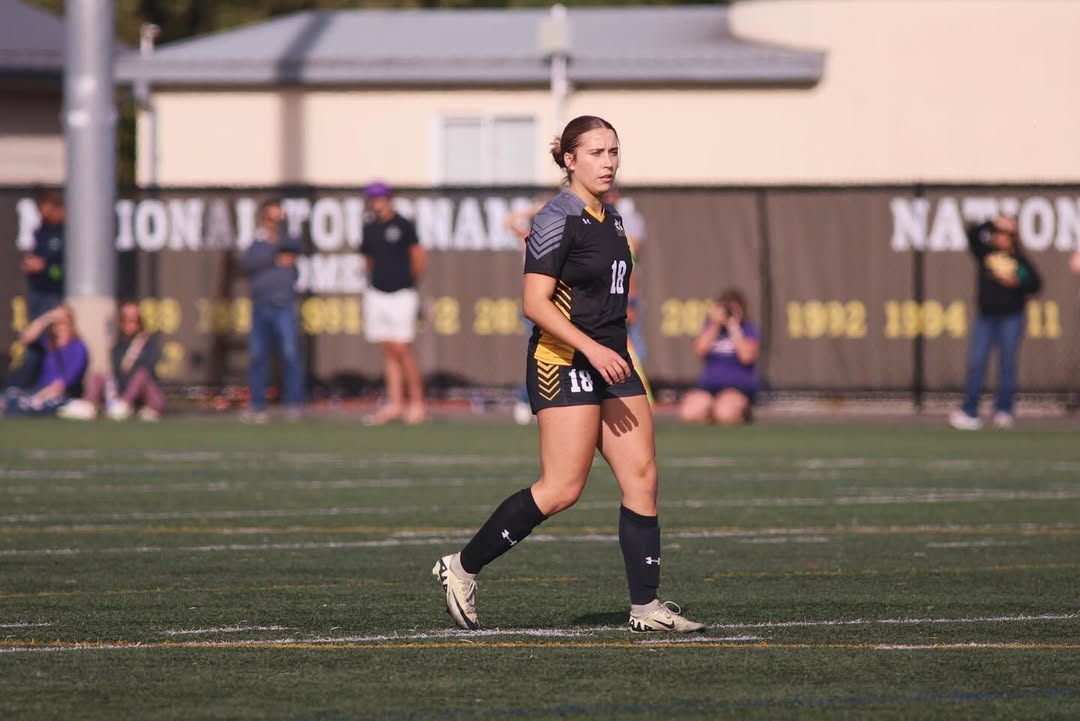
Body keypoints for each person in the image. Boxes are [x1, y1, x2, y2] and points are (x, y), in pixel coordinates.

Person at [432, 115, 706, 633]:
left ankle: (645, 608)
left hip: (612, 362)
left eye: (614, 151)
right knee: (561, 488)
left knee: (643, 477)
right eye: (597, 152)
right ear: (569, 159)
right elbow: (534, 303)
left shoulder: (613, 218)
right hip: (563, 362)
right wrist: (592, 349)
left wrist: (611, 350)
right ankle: (462, 567)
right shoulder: (555, 217)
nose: (608, 162)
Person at [949, 214, 1042, 430]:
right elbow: (972, 234)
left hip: (1011, 317)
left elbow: (1035, 284)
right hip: (986, 317)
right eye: (997, 234)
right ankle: (970, 411)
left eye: (1006, 234)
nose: (1000, 237)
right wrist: (993, 221)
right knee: (976, 363)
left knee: (1006, 365)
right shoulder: (987, 254)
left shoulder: (1019, 261)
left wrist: (1017, 282)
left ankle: (1004, 410)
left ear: (1013, 238)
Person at [361, 181, 428, 425]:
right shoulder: (369, 227)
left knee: (402, 348)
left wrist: (406, 280)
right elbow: (368, 259)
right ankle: (395, 403)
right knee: (388, 349)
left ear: (389, 199)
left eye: (381, 197)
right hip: (377, 293)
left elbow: (418, 257)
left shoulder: (403, 224)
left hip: (401, 293)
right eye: (373, 198)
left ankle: (417, 403)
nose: (377, 202)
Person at [239, 199, 305, 423]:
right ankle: (257, 405)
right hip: (261, 306)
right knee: (258, 356)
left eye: (280, 219)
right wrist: (274, 257)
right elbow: (247, 265)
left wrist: (277, 250)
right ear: (263, 220)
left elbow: (295, 250)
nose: (275, 224)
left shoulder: (289, 240)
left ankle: (294, 404)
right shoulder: (257, 244)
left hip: (283, 305)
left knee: (290, 354)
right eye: (271, 219)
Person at [57, 301, 165, 421]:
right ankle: (87, 405)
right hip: (122, 393)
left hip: (148, 398)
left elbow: (147, 371)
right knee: (99, 375)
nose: (128, 324)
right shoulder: (117, 347)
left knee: (141, 375)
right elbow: (118, 374)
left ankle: (124, 405)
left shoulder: (149, 345)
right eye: (124, 319)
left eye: (132, 320)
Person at [9, 187, 66, 390]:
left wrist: (46, 268)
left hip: (53, 295)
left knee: (44, 340)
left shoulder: (66, 233)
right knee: (33, 341)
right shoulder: (42, 230)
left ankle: (29, 386)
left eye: (45, 207)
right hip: (38, 293)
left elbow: (65, 270)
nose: (42, 212)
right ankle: (23, 387)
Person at [678, 289, 760, 425]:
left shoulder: (747, 329)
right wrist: (715, 324)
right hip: (709, 386)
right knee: (689, 413)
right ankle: (711, 411)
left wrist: (734, 327)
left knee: (725, 413)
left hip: (738, 387)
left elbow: (747, 357)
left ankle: (741, 411)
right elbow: (699, 351)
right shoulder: (711, 328)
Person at [2, 304, 87, 417]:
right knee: (10, 395)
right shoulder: (48, 343)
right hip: (38, 390)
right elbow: (26, 338)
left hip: (61, 395)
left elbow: (65, 381)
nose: (58, 326)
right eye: (56, 323)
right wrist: (47, 318)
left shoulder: (77, 347)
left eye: (62, 321)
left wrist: (42, 395)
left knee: (29, 406)